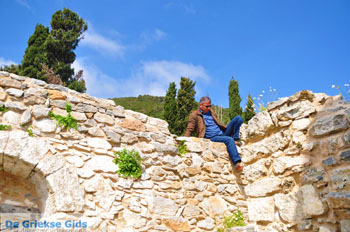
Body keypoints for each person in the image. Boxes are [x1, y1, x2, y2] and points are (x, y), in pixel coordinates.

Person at [184, 96, 244, 172]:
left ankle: (236, 138)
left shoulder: (211, 112)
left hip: (222, 133)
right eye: (207, 106)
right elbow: (190, 128)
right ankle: (237, 163)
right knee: (229, 140)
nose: (209, 108)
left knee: (238, 118)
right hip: (212, 137)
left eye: (210, 106)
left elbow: (217, 124)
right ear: (201, 105)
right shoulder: (194, 114)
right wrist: (184, 140)